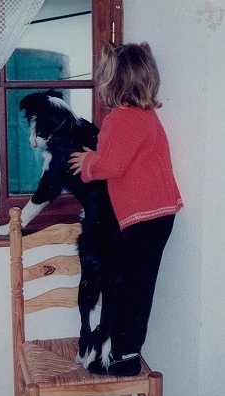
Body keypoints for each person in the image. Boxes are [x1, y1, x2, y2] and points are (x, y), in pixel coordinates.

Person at [69, 42, 183, 376]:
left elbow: (111, 165)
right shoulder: (146, 117)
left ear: (114, 82)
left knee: (131, 287)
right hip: (159, 214)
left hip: (144, 219)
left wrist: (88, 162)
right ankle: (125, 353)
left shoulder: (120, 119)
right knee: (139, 285)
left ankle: (125, 359)